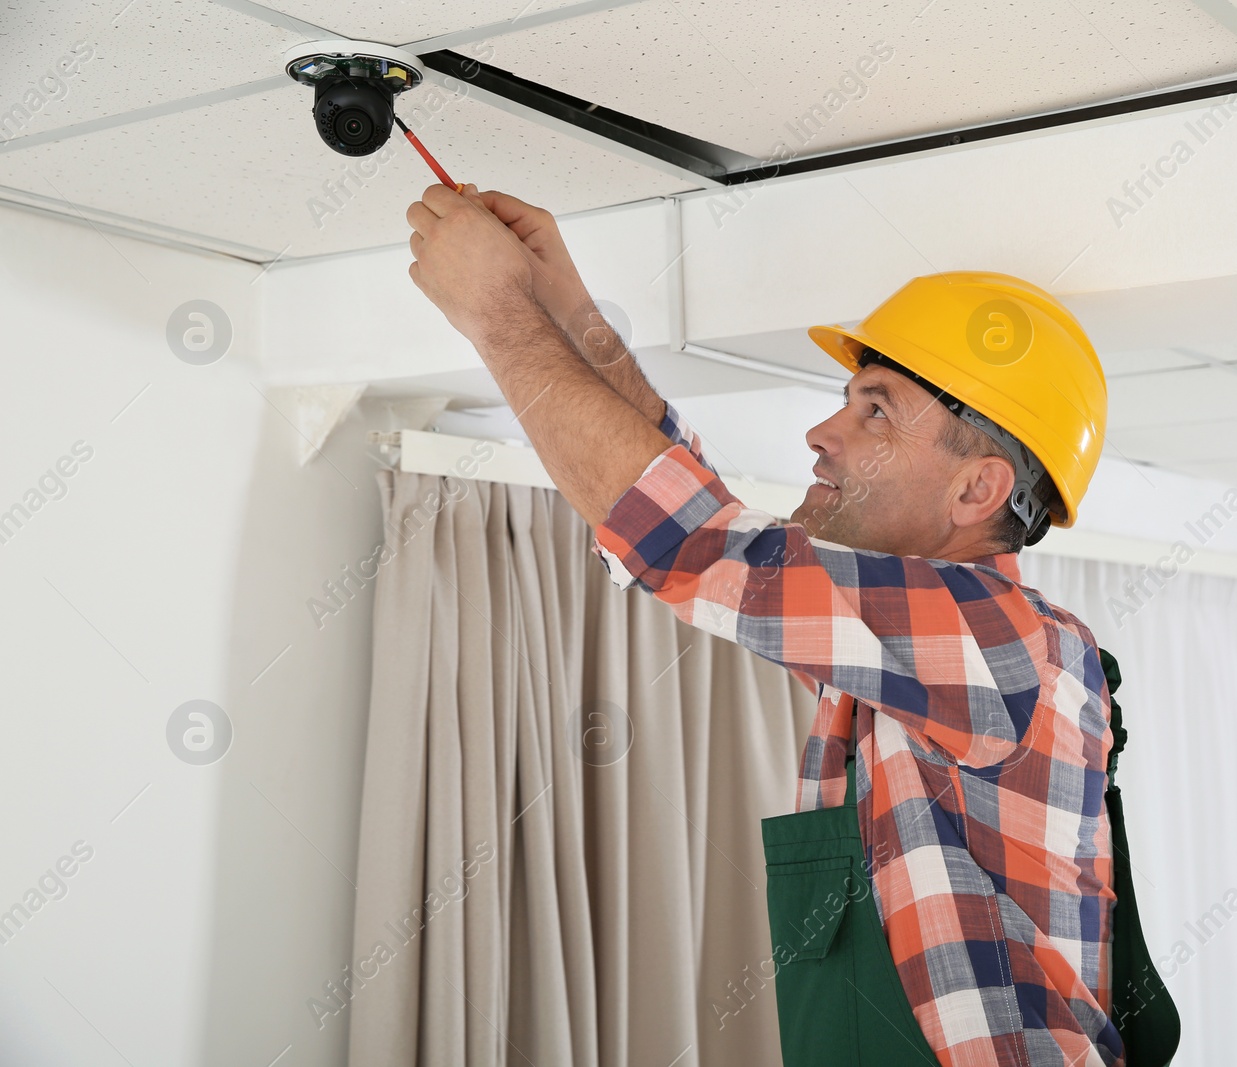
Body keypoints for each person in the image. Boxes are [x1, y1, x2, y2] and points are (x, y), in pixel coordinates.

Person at [405, 183, 1129, 1066]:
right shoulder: (895, 659)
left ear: (975, 489)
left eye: (875, 410)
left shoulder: (1007, 643)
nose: (823, 430)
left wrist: (498, 315)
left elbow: (688, 538)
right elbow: (710, 532)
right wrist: (566, 311)